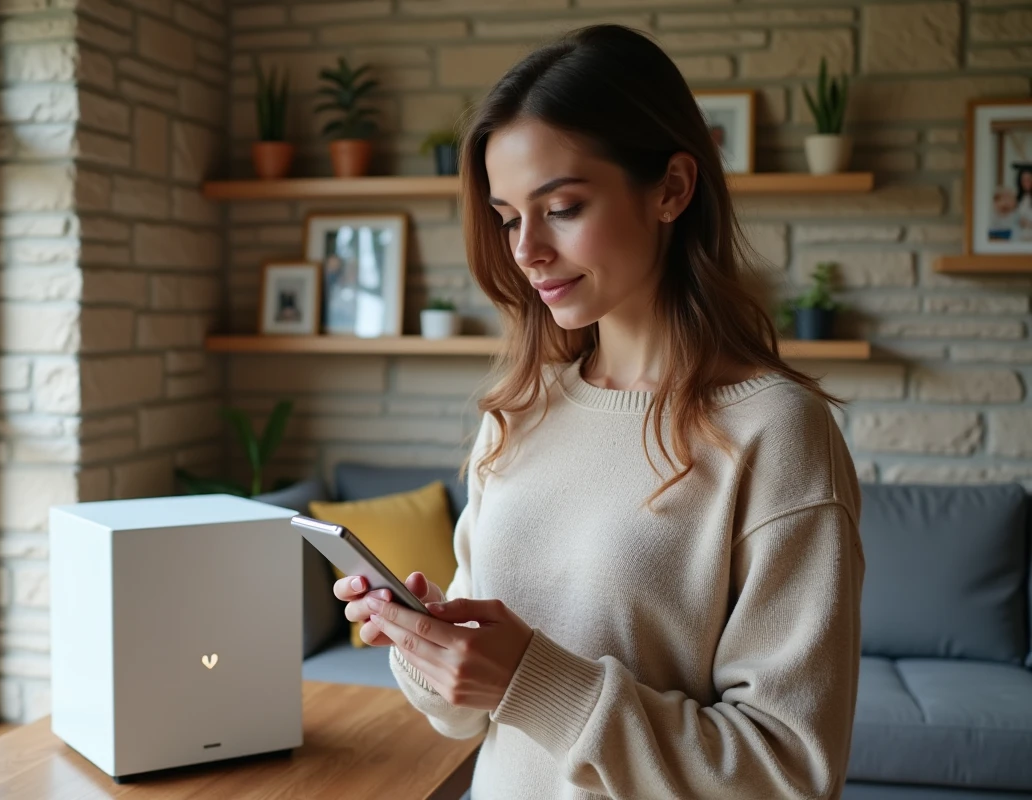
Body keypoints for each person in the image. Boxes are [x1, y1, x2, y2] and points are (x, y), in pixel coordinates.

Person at [333, 24, 865, 800]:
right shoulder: (518, 413)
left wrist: (534, 682)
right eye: (510, 216)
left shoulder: (776, 434)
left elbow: (788, 773)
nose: (526, 251)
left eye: (563, 206)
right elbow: (463, 721)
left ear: (672, 189)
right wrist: (426, 640)